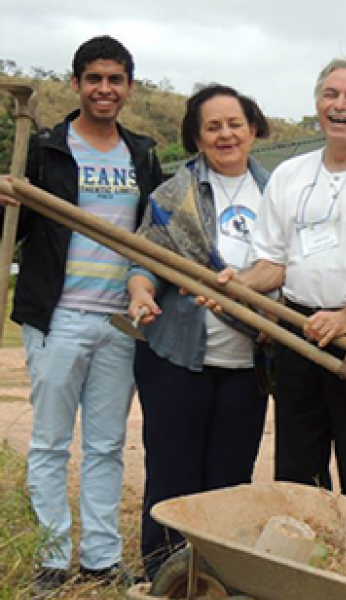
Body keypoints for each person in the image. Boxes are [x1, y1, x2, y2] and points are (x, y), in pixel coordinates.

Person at [224, 53, 346, 509]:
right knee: (298, 467)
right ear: (316, 105)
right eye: (330, 94)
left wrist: (345, 318)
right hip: (296, 334)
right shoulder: (290, 176)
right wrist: (235, 284)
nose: (340, 105)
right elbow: (273, 264)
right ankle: (305, 568)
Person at [0, 36, 163, 594]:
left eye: (115, 79)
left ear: (129, 88)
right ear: (75, 84)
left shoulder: (142, 154)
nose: (104, 89)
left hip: (121, 321)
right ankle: (51, 555)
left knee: (106, 445)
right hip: (58, 318)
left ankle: (100, 558)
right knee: (49, 442)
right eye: (94, 78)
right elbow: (17, 234)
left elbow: (152, 234)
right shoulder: (45, 150)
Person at [125, 84, 272, 580]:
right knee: (171, 477)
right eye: (213, 126)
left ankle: (217, 580)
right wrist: (140, 291)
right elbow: (145, 259)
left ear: (253, 128)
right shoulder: (172, 195)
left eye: (235, 123)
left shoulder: (281, 193)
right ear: (196, 137)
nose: (225, 134)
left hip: (248, 362)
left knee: (229, 483)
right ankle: (163, 578)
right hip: (177, 356)